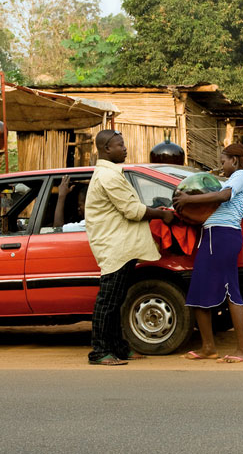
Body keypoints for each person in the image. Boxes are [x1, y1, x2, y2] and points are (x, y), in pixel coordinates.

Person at [84, 129, 176, 365]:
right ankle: (99, 352)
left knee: (116, 301)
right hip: (115, 247)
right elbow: (133, 211)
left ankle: (119, 348)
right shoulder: (109, 177)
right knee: (108, 301)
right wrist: (161, 215)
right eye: (120, 145)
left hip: (122, 245)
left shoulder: (112, 174)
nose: (124, 149)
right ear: (106, 149)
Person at [173, 142, 243, 363]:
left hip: (223, 235)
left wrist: (188, 200)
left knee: (231, 291)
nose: (221, 167)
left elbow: (223, 197)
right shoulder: (233, 177)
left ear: (235, 160)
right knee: (199, 291)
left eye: (223, 162)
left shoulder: (241, 175)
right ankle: (208, 347)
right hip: (213, 236)